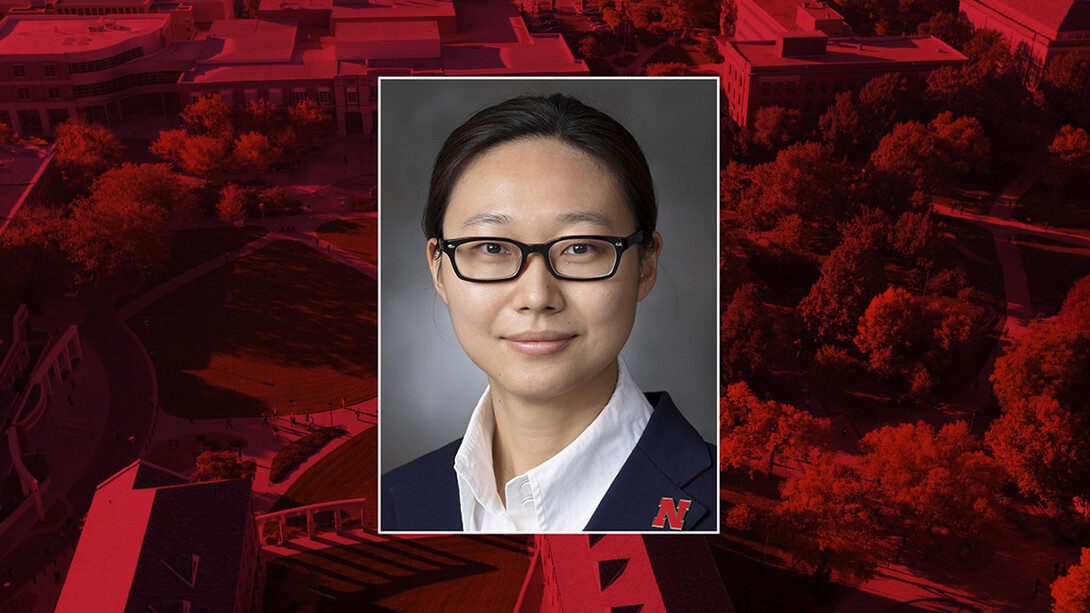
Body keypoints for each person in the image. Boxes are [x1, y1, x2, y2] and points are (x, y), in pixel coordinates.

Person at [381, 94, 716, 533]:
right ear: (438, 269)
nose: (536, 296)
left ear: (646, 264)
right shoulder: (392, 504)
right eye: (491, 247)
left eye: (579, 247)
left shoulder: (737, 505)